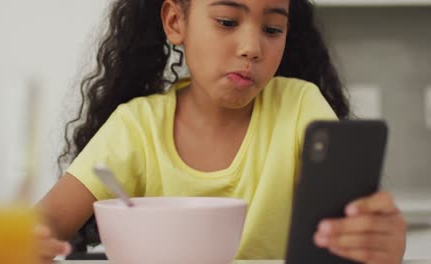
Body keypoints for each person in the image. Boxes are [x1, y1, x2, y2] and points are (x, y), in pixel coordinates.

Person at [36, 0, 407, 263]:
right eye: (228, 21)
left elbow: (357, 223)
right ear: (175, 22)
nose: (251, 48)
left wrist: (380, 239)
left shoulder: (299, 108)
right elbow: (48, 220)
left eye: (273, 29)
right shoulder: (136, 127)